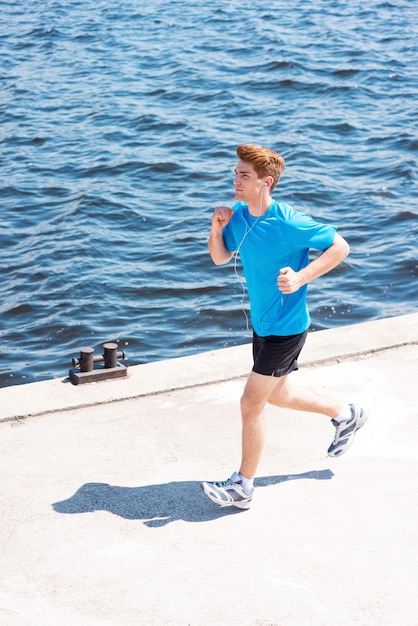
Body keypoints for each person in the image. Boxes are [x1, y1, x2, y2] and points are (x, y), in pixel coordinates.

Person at [201, 144, 368, 510]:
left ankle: (243, 485)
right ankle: (346, 414)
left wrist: (301, 276)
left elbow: (341, 247)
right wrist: (216, 228)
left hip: (288, 327)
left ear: (266, 182)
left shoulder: (289, 221)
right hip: (263, 325)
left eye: (244, 175)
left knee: (250, 402)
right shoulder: (240, 216)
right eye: (236, 172)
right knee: (277, 395)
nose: (236, 180)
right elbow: (220, 257)